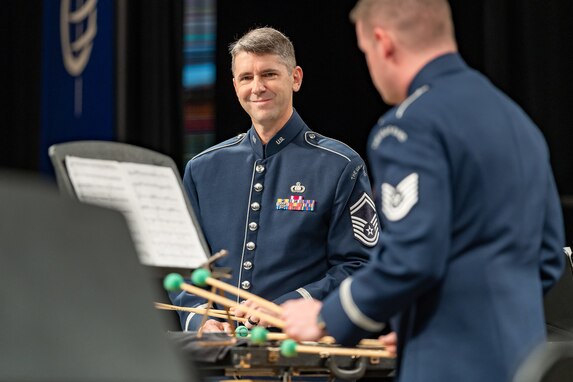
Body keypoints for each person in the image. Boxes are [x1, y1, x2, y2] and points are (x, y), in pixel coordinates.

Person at [281, 1, 565, 381]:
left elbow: (412, 258)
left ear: (383, 43)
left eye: (365, 52)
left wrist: (326, 315)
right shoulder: (517, 120)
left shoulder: (409, 126)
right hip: (526, 362)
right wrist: (424, 322)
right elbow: (547, 259)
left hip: (449, 368)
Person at [171, 27, 380, 332]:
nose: (257, 87)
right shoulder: (202, 168)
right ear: (234, 85)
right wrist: (200, 319)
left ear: (295, 78)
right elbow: (184, 262)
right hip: (217, 360)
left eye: (269, 74)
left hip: (300, 358)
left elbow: (360, 266)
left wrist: (290, 304)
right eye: (246, 78)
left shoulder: (341, 165)